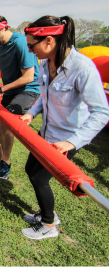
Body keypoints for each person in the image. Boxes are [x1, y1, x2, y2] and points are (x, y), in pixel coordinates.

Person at [20, 15, 109, 239]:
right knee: (31, 172)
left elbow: (101, 112)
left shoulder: (82, 68)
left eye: (32, 45)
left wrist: (72, 143)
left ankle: (49, 225)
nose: (30, 50)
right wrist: (32, 112)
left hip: (65, 140)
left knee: (40, 178)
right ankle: (47, 214)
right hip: (45, 133)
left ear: (49, 41)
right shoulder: (44, 63)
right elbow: (44, 95)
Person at [0, 15, 40, 180]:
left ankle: (5, 167)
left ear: (3, 28)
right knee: (2, 125)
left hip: (28, 90)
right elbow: (0, 61)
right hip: (12, 91)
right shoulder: (0, 44)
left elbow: (28, 77)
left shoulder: (20, 42)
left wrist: (2, 88)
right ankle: (3, 165)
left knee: (8, 124)